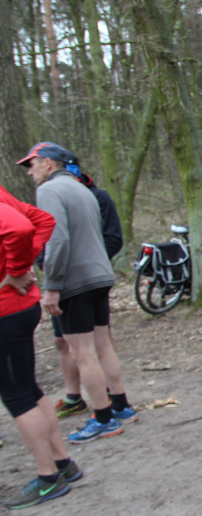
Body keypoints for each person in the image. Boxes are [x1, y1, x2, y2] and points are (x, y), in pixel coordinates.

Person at [18, 142, 136, 443]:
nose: (30, 172)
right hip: (100, 277)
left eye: (32, 164)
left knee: (82, 353)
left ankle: (103, 418)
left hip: (75, 281)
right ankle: (121, 405)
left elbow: (57, 240)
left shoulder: (49, 191)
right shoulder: (84, 190)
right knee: (103, 345)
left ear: (48, 163)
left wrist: (52, 286)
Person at [0, 182, 83, 509]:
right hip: (18, 308)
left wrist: (16, 269)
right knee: (29, 389)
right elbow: (43, 222)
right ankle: (63, 464)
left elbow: (21, 228)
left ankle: (48, 478)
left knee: (17, 395)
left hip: (6, 311)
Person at [50, 163, 124, 420]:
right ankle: (79, 398)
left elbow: (112, 239)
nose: (29, 171)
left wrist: (87, 263)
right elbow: (48, 240)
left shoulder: (95, 197)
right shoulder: (60, 195)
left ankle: (107, 413)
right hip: (71, 280)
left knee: (89, 348)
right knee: (67, 344)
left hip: (79, 281)